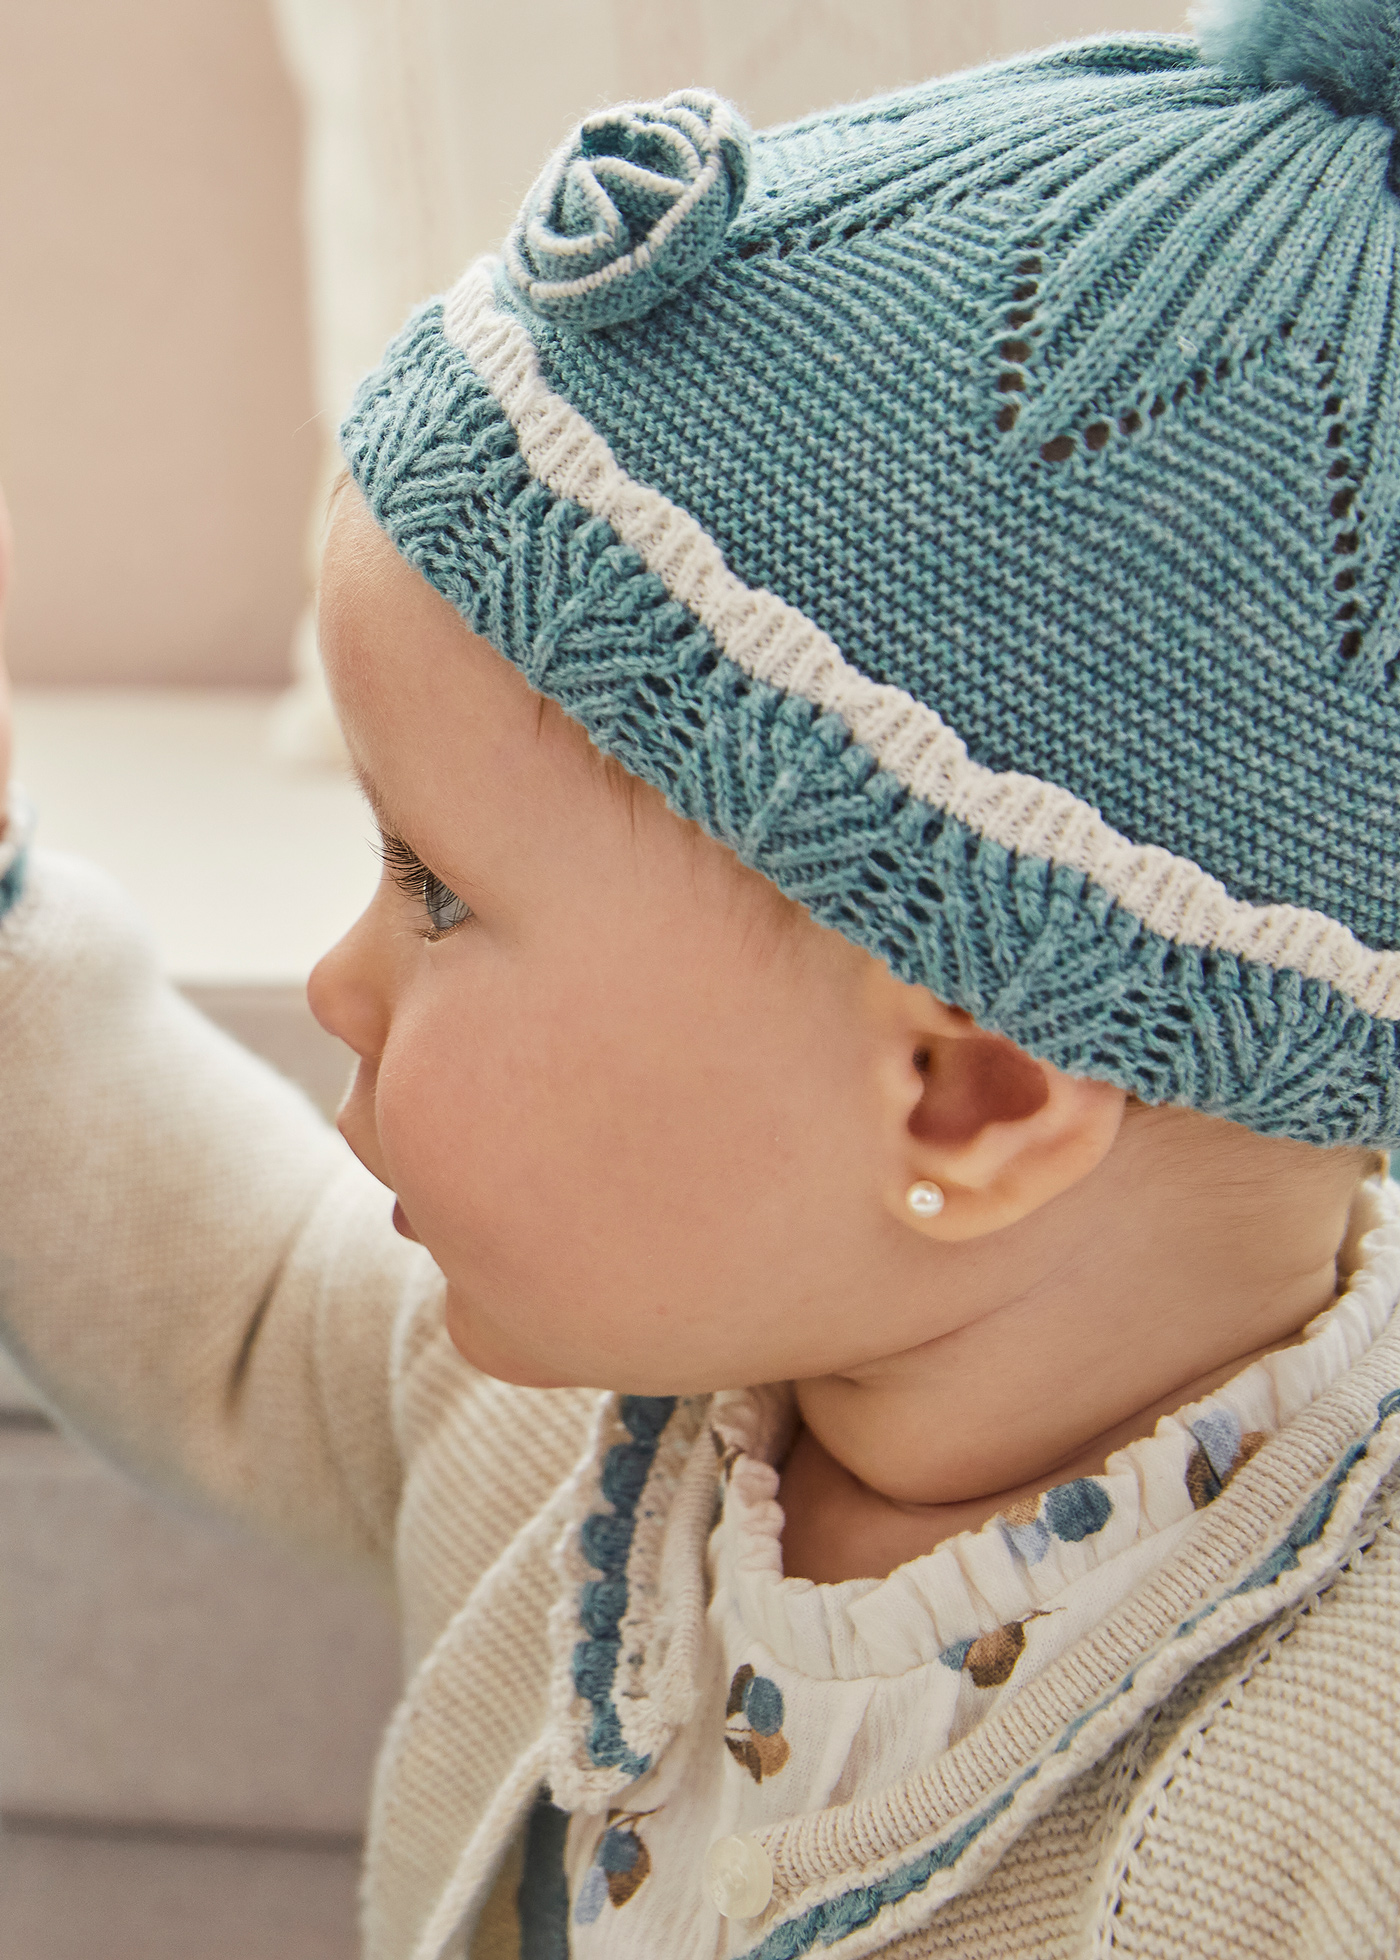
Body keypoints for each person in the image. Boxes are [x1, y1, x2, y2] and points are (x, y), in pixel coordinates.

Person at [3, 5, 1400, 1955]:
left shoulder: (1331, 1802)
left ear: (966, 1093)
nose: (338, 979)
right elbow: (242, 1306)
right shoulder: (602, 1419)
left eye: (438, 889)